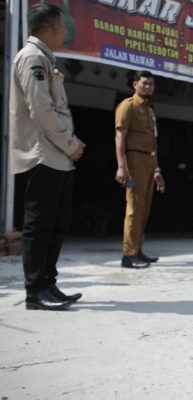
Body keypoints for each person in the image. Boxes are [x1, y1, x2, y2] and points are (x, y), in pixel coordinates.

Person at [10, 3, 85, 310]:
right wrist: (71, 144)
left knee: (57, 223)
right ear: (54, 28)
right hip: (44, 156)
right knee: (39, 225)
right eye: (63, 27)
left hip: (58, 157)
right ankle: (35, 290)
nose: (65, 32)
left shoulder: (45, 58)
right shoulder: (32, 58)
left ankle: (48, 284)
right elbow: (40, 111)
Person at [114, 70, 166, 269]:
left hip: (148, 161)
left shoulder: (150, 110)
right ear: (135, 84)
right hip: (133, 159)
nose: (148, 87)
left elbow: (153, 142)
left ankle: (138, 250)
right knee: (134, 208)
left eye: (151, 84)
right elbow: (120, 137)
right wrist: (121, 166)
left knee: (144, 209)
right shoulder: (128, 106)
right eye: (144, 83)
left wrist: (156, 170)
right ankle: (128, 255)